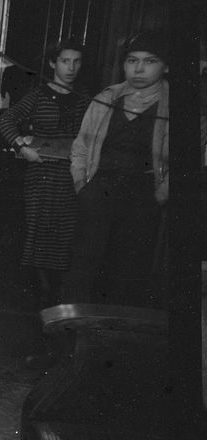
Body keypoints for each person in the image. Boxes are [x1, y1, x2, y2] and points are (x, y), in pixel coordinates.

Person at [61, 31, 170, 308]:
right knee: (84, 268)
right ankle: (69, 344)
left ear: (165, 66)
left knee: (127, 272)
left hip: (143, 196)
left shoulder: (176, 105)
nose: (139, 68)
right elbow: (81, 146)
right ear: (124, 65)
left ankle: (112, 346)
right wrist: (82, 185)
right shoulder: (106, 98)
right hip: (100, 190)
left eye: (150, 61)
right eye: (132, 60)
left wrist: (161, 193)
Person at [0, 40, 89, 307]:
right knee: (39, 228)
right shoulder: (37, 95)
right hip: (41, 173)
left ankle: (57, 293)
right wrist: (21, 147)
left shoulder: (86, 98)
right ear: (53, 63)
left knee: (65, 231)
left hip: (72, 175)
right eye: (64, 61)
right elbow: (5, 119)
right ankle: (42, 291)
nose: (70, 67)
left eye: (76, 62)